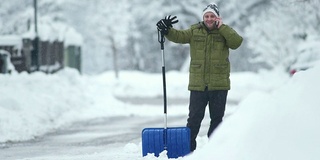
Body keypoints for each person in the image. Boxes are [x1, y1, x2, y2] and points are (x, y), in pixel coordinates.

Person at [156, 3, 243, 151]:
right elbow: (179, 36)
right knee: (194, 119)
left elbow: (236, 42)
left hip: (219, 85)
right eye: (206, 16)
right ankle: (188, 149)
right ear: (203, 18)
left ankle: (215, 149)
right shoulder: (195, 31)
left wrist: (222, 27)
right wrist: (167, 30)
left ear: (217, 17)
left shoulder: (225, 31)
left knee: (217, 120)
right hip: (198, 84)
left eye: (212, 16)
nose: (209, 19)